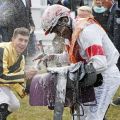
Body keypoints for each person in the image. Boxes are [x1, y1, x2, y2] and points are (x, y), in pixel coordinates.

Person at [33, 4, 120, 120]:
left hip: (106, 76)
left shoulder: (87, 31)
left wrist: (71, 71)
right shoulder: (70, 32)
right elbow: (69, 57)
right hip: (91, 75)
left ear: (64, 20)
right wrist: (51, 57)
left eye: (56, 29)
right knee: (79, 115)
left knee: (93, 117)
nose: (57, 34)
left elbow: (100, 63)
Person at [0, 27, 37, 120]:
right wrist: (24, 74)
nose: (23, 43)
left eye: (26, 41)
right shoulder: (3, 49)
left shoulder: (21, 59)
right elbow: (2, 76)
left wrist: (27, 90)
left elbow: (15, 80)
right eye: (20, 39)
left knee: (14, 105)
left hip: (1, 85)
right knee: (4, 100)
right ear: (12, 39)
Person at [102, 0, 120, 106]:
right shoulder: (113, 9)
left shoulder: (116, 9)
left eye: (103, 1)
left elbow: (117, 31)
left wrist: (115, 49)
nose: (102, 3)